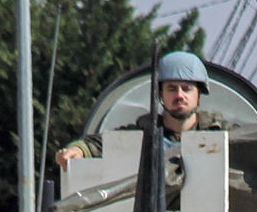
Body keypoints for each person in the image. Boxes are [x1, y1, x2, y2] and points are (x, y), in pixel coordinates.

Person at [55, 51, 231, 167]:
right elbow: (100, 145)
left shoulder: (222, 134)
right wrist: (77, 151)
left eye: (186, 89)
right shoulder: (143, 135)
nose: (179, 95)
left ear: (199, 94)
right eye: (171, 89)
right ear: (160, 94)